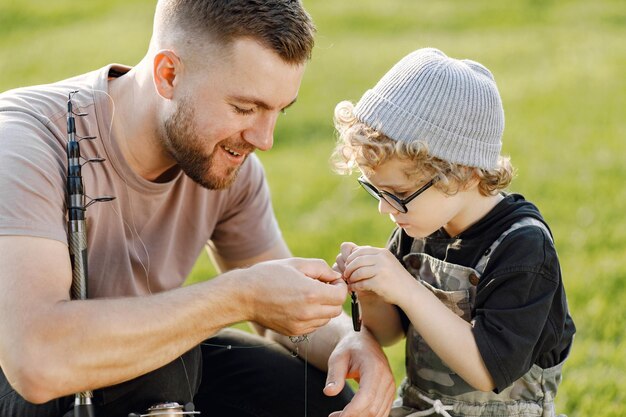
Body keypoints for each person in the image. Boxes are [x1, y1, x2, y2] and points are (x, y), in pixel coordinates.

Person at [0, 1, 396, 416]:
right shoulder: (26, 143)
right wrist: (237, 296)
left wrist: (350, 343)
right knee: (165, 372)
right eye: (245, 108)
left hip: (127, 379)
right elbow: (36, 362)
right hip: (24, 379)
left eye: (278, 111)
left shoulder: (227, 163)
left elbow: (278, 311)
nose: (264, 139)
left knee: (308, 394)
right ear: (168, 75)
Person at [332, 47, 576, 417]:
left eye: (398, 194)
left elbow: (488, 370)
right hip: (421, 407)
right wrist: (371, 292)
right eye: (377, 191)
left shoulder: (523, 248)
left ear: (464, 173)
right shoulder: (418, 225)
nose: (385, 208)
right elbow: (391, 333)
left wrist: (405, 287)